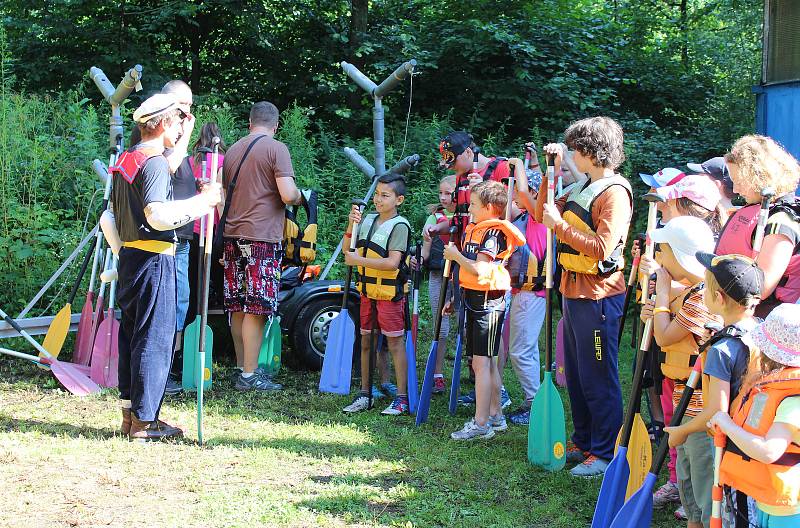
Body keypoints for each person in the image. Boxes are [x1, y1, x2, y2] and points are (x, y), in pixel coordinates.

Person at [110, 93, 221, 440]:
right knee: (154, 340)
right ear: (161, 124)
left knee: (131, 336)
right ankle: (146, 423)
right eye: (176, 122)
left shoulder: (128, 159)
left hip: (130, 257)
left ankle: (132, 415)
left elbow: (108, 216)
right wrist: (204, 202)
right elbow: (157, 215)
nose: (179, 130)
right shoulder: (154, 163)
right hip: (155, 258)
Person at [534, 116, 632, 477]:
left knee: (597, 376)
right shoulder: (583, 186)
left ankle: (605, 453)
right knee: (574, 374)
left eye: (575, 149)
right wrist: (551, 171)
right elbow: (540, 213)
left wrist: (559, 226)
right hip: (572, 291)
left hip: (599, 297)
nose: (572, 153)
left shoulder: (614, 194)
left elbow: (603, 248)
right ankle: (585, 440)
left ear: (591, 152)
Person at [641, 216, 720, 527]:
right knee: (686, 478)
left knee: (701, 479)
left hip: (700, 406)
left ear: (679, 255)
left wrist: (661, 295)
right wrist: (658, 309)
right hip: (682, 395)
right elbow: (667, 325)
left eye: (663, 251)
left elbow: (664, 336)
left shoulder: (703, 297)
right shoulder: (691, 291)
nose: (658, 258)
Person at [222, 101, 301, 392]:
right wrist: (300, 197)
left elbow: (221, 198)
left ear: (250, 123)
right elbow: (287, 193)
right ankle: (250, 375)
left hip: (232, 236)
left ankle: (242, 367)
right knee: (255, 307)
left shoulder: (232, 151)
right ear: (276, 125)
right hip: (262, 238)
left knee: (238, 306)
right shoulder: (276, 149)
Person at [443, 180, 525, 440]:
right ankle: (496, 416)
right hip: (475, 299)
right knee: (486, 364)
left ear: (490, 208)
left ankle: (481, 424)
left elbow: (479, 269)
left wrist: (455, 256)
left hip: (489, 302)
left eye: (475, 205)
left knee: (481, 364)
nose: (470, 209)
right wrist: (456, 298)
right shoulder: (478, 228)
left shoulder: (493, 234)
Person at [710, 303, 800, 528]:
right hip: (772, 503)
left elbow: (769, 451)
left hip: (789, 510)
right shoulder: (772, 388)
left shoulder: (792, 403)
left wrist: (726, 424)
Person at [341, 173, 412, 415]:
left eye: (385, 195)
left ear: (398, 199)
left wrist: (357, 259)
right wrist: (352, 224)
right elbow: (346, 248)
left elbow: (393, 263)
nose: (378, 200)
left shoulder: (399, 225)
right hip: (367, 292)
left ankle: (402, 397)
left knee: (394, 342)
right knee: (366, 341)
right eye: (377, 194)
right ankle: (365, 393)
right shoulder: (366, 220)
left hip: (389, 294)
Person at [164, 123, 227, 395]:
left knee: (188, 285)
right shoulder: (221, 161)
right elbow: (221, 198)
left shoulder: (188, 160)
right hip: (209, 230)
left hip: (191, 230)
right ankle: (194, 335)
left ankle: (186, 334)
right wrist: (223, 227)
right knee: (207, 283)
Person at [717, 135, 800, 317]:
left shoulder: (782, 220)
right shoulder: (763, 211)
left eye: (738, 182)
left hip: (767, 324)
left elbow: (761, 287)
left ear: (760, 177)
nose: (736, 190)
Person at [499, 162, 547, 426]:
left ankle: (534, 403)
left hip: (532, 293)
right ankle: (535, 400)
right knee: (526, 349)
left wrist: (518, 165)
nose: (516, 196)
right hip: (523, 292)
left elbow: (526, 195)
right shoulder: (524, 218)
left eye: (519, 191)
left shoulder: (539, 215)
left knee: (520, 351)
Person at [420, 174, 456, 394]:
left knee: (465, 326)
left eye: (448, 193)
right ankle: (438, 374)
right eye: (440, 193)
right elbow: (425, 251)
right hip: (438, 276)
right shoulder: (434, 217)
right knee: (441, 328)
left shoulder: (469, 214)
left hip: (462, 277)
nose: (443, 197)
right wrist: (418, 260)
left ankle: (474, 369)